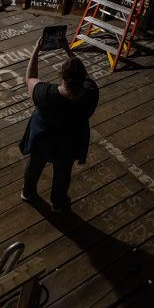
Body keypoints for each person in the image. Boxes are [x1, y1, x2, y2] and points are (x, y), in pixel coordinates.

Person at [19, 36, 99, 213]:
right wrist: (68, 50)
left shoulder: (45, 93)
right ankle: (58, 202)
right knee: (62, 172)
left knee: (35, 165)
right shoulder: (91, 93)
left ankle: (28, 192)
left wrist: (36, 50)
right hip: (70, 142)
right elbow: (85, 77)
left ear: (62, 76)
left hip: (43, 138)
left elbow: (30, 77)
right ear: (80, 80)